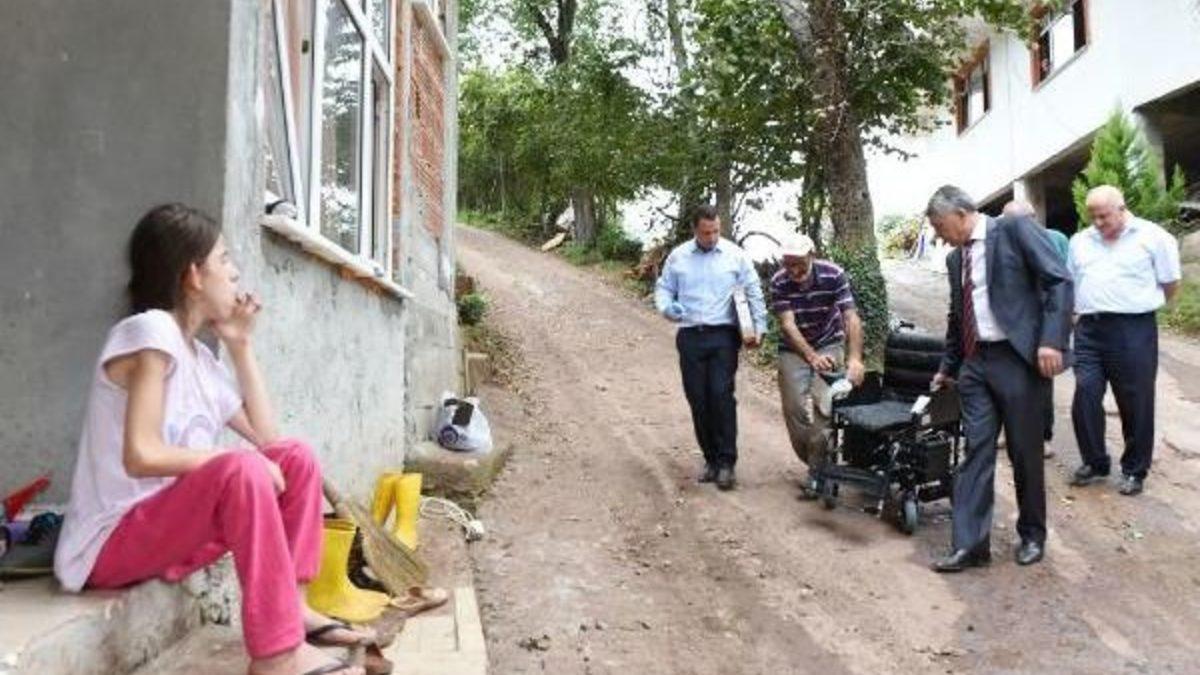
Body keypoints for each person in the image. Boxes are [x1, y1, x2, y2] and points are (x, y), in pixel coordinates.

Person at [54, 204, 370, 675]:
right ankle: (277, 656)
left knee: (296, 456)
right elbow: (141, 454)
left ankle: (294, 608)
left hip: (165, 530)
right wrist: (229, 463)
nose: (235, 272)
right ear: (193, 276)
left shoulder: (201, 361)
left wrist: (241, 346)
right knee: (239, 468)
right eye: (224, 259)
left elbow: (269, 442)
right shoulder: (150, 331)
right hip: (110, 543)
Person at [925, 186, 1072, 572]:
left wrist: (1052, 340)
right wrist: (947, 366)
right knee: (976, 450)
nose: (940, 236)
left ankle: (1032, 535)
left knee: (1025, 451)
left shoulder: (1013, 229)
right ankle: (970, 545)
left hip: (1017, 359)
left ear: (961, 214)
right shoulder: (956, 259)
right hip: (976, 364)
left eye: (940, 227)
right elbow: (958, 316)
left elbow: (1059, 280)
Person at [1067, 185, 1181, 496]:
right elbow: (1071, 282)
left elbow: (1170, 283)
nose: (1098, 223)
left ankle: (1134, 469)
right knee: (1085, 393)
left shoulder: (1153, 237)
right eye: (1092, 216)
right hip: (1089, 329)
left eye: (1103, 216)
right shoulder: (1080, 241)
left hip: (1133, 329)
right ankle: (1095, 462)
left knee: (1135, 401)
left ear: (1121, 208)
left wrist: (1141, 307)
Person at [655, 205, 768, 491]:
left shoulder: (735, 255)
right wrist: (667, 307)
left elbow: (753, 291)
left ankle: (727, 462)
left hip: (723, 336)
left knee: (720, 395)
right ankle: (710, 460)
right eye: (706, 233)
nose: (712, 237)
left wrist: (759, 327)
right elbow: (664, 288)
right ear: (695, 230)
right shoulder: (678, 257)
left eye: (716, 231)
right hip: (690, 335)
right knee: (698, 398)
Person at [768, 234, 865, 490]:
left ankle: (817, 472)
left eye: (799, 263)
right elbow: (787, 325)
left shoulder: (834, 274)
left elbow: (851, 317)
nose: (793, 270)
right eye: (788, 264)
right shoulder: (779, 281)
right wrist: (811, 357)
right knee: (793, 409)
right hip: (793, 348)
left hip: (829, 341)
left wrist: (855, 358)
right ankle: (816, 463)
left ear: (811, 255)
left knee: (826, 406)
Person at [1002, 199, 1069, 458]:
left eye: (1027, 220)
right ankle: (1008, 430)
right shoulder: (999, 243)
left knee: (1041, 381)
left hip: (1042, 321)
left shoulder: (1055, 239)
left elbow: (1063, 280)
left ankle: (1043, 436)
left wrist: (1056, 328)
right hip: (1010, 323)